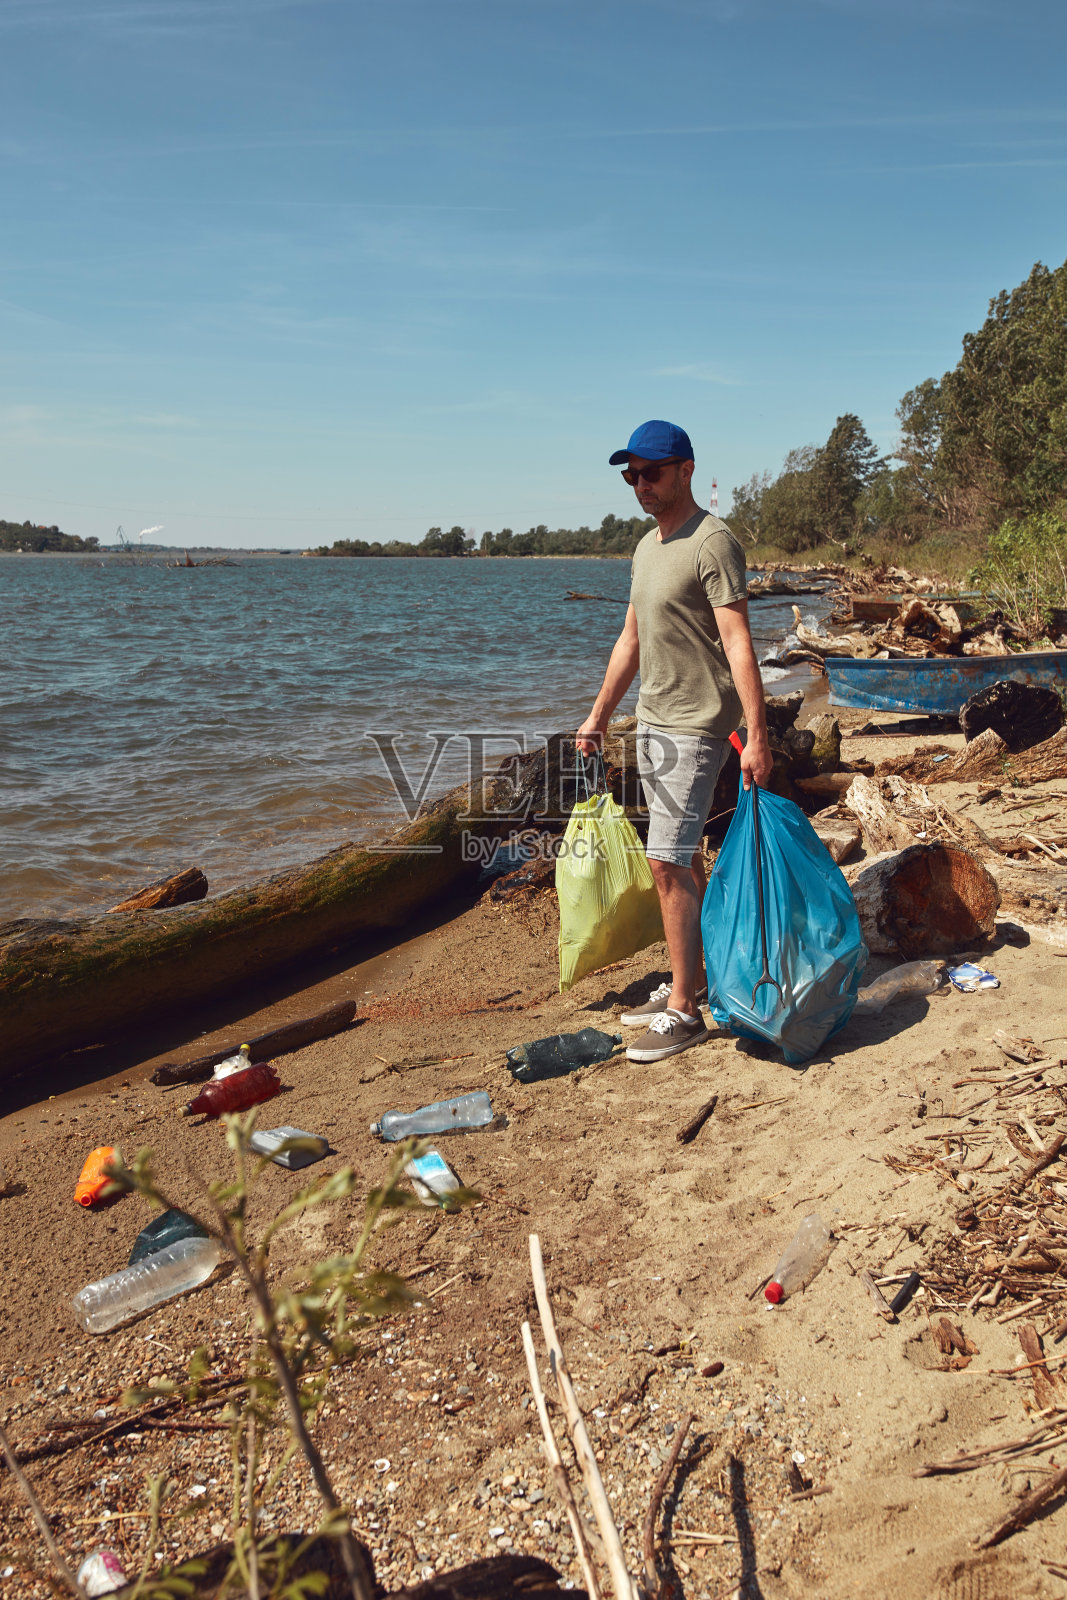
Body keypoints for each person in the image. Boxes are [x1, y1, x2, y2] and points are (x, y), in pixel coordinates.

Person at [576, 419, 772, 1062]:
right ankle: (695, 977)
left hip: (699, 723)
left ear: (686, 469)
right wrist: (600, 715)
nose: (640, 485)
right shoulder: (644, 547)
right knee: (682, 859)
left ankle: (686, 1010)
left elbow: (740, 642)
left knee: (665, 861)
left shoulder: (712, 543)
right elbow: (631, 641)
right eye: (631, 475)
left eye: (652, 472)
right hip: (653, 719)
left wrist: (758, 734)